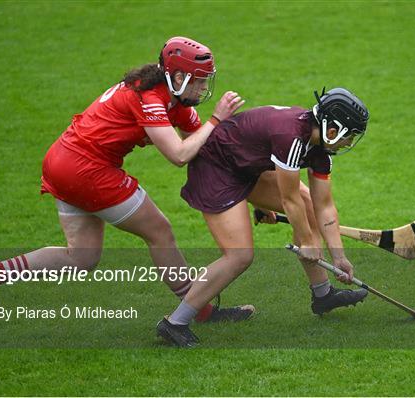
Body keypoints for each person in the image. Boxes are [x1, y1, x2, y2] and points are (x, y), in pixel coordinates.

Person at [0, 36, 253, 327]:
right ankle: (199, 310)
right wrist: (216, 119)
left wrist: (245, 165)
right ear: (178, 77)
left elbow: (200, 143)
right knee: (159, 231)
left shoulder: (170, 94)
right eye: (200, 81)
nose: (204, 88)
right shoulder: (149, 98)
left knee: (81, 257)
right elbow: (179, 155)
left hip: (62, 162)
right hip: (86, 168)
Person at [156, 87, 370, 347]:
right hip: (217, 168)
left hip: (247, 165)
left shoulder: (319, 151)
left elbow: (324, 206)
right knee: (240, 255)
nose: (349, 143)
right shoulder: (291, 137)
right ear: (333, 131)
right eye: (351, 136)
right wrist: (306, 242)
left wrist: (339, 256)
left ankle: (323, 295)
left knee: (309, 207)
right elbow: (288, 199)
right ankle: (175, 323)